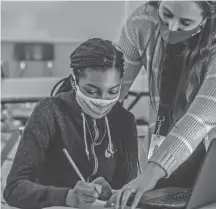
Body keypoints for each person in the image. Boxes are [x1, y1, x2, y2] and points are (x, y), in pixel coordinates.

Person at [108, 1, 216, 209]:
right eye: (166, 14)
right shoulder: (143, 22)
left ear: (205, 19)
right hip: (166, 155)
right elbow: (110, 84)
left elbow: (202, 117)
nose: (172, 27)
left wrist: (152, 172)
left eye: (185, 22)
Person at [3, 38, 140, 209]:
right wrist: (66, 196)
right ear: (74, 81)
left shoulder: (124, 120)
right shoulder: (50, 112)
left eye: (113, 91)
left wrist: (112, 192)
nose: (103, 101)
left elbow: (129, 188)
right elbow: (14, 189)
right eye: (91, 91)